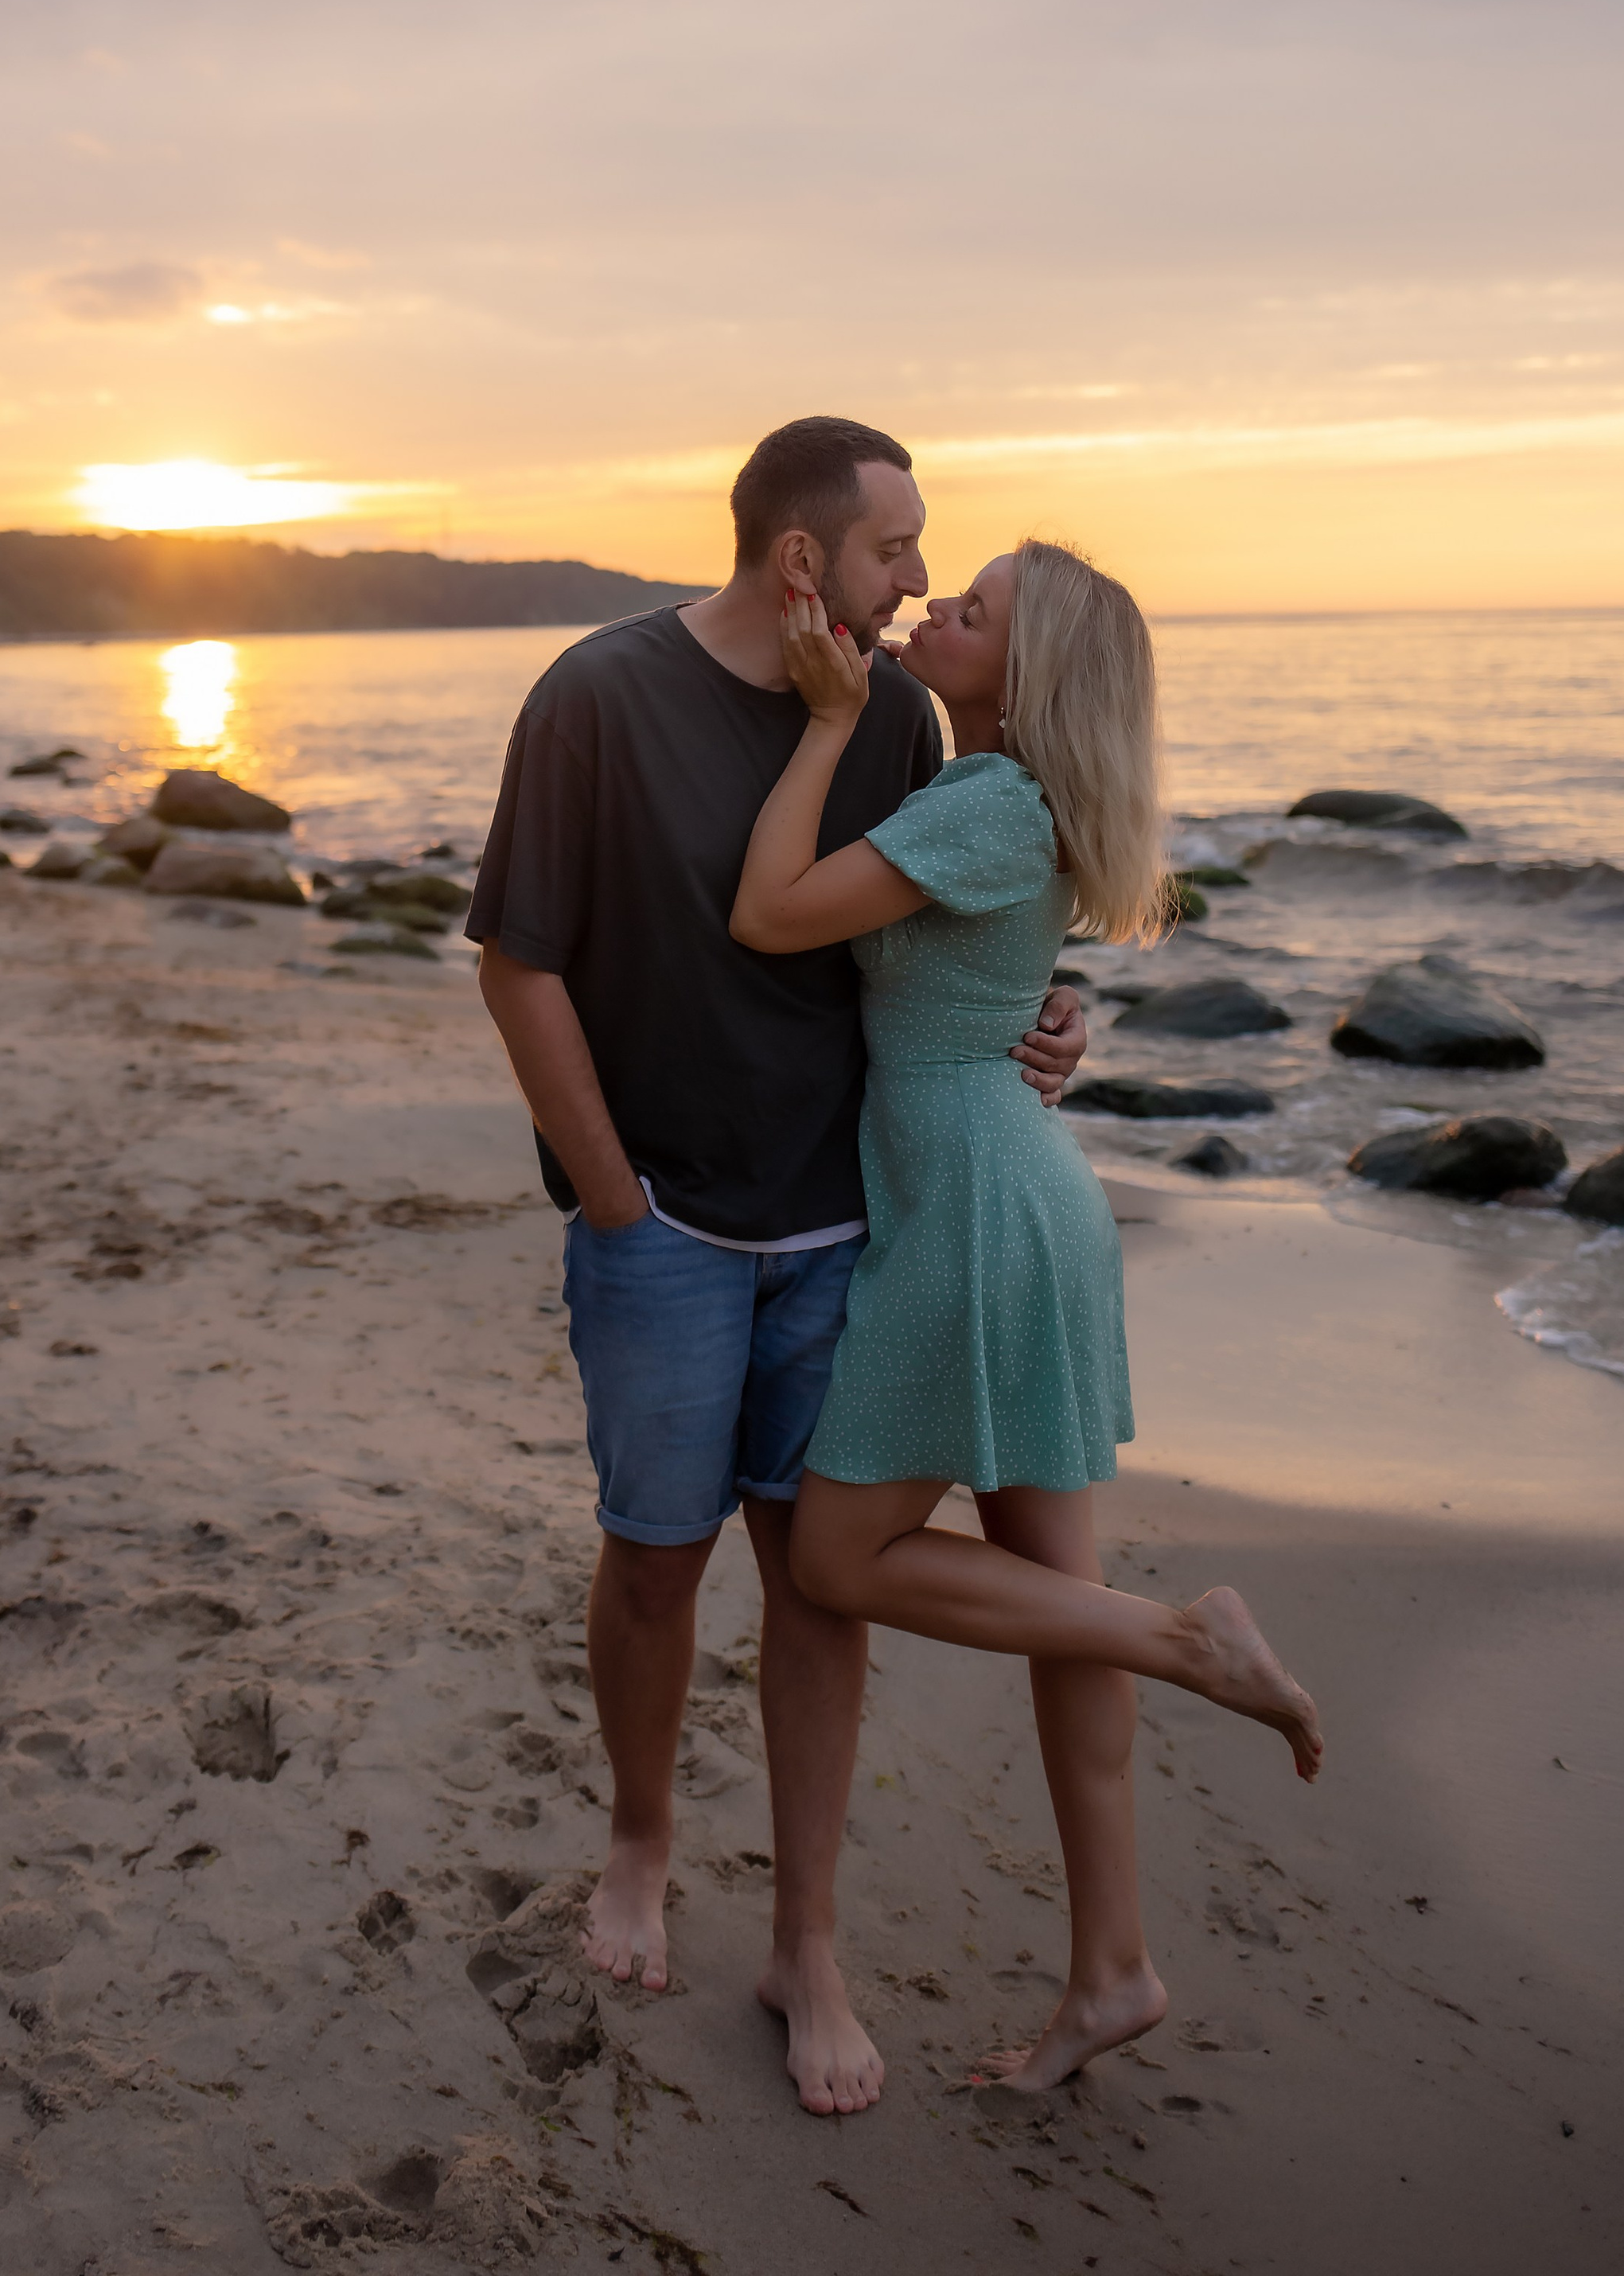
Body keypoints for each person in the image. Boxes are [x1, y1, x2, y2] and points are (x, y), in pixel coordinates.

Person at [465, 417, 1092, 2117]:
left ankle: (806, 1945)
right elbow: (519, 963)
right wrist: (612, 1197)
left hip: (843, 1223)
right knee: (653, 1561)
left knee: (819, 1588)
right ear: (804, 557)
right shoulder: (597, 696)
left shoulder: (893, 717)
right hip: (660, 1225)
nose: (917, 582)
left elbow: (947, 919)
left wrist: (1048, 1013)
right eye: (897, 549)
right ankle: (640, 1844)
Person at [730, 540, 1323, 2092]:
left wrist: (819, 720)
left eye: (973, 609)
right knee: (1057, 1605)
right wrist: (1053, 1018)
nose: (936, 607)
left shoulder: (989, 802)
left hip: (973, 1218)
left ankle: (1184, 1641)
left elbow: (772, 914)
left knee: (837, 1559)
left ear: (1029, 669)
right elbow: (983, 976)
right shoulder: (1002, 796)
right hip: (1020, 1193)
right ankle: (1113, 1970)